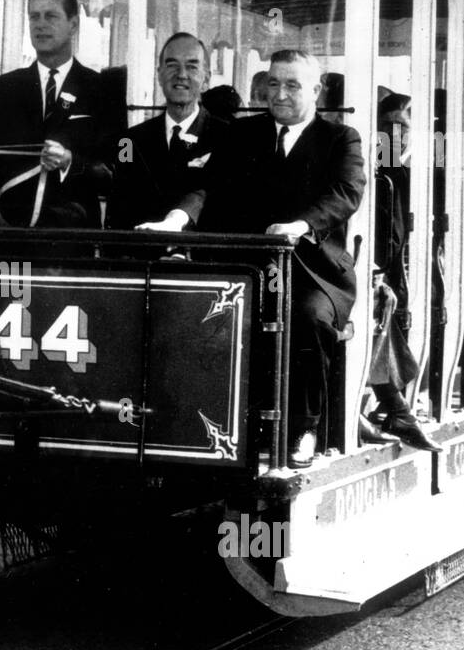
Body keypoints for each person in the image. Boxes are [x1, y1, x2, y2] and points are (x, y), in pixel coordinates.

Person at [200, 49, 366, 468]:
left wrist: (301, 225)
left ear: (315, 90)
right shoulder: (242, 135)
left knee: (308, 318)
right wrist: (178, 216)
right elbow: (209, 186)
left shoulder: (339, 140)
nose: (281, 93)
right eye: (273, 83)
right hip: (251, 266)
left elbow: (345, 193)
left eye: (292, 85)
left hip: (314, 270)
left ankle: (303, 427)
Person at [0, 0, 122, 227]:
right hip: (9, 228)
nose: (40, 24)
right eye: (34, 16)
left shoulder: (102, 91)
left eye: (51, 16)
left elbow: (120, 167)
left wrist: (69, 161)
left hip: (71, 237)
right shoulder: (4, 88)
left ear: (74, 25)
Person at [362, 94, 441, 451]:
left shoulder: (439, 170)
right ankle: (397, 409)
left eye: (402, 128)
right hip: (384, 271)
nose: (394, 136)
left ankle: (405, 405)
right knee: (381, 304)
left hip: (428, 273)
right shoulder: (373, 168)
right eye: (387, 127)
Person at [106, 33, 229, 232]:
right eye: (172, 65)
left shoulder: (229, 137)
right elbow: (118, 206)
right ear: (159, 75)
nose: (181, 74)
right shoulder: (128, 141)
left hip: (201, 257)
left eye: (191, 66)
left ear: (206, 79)